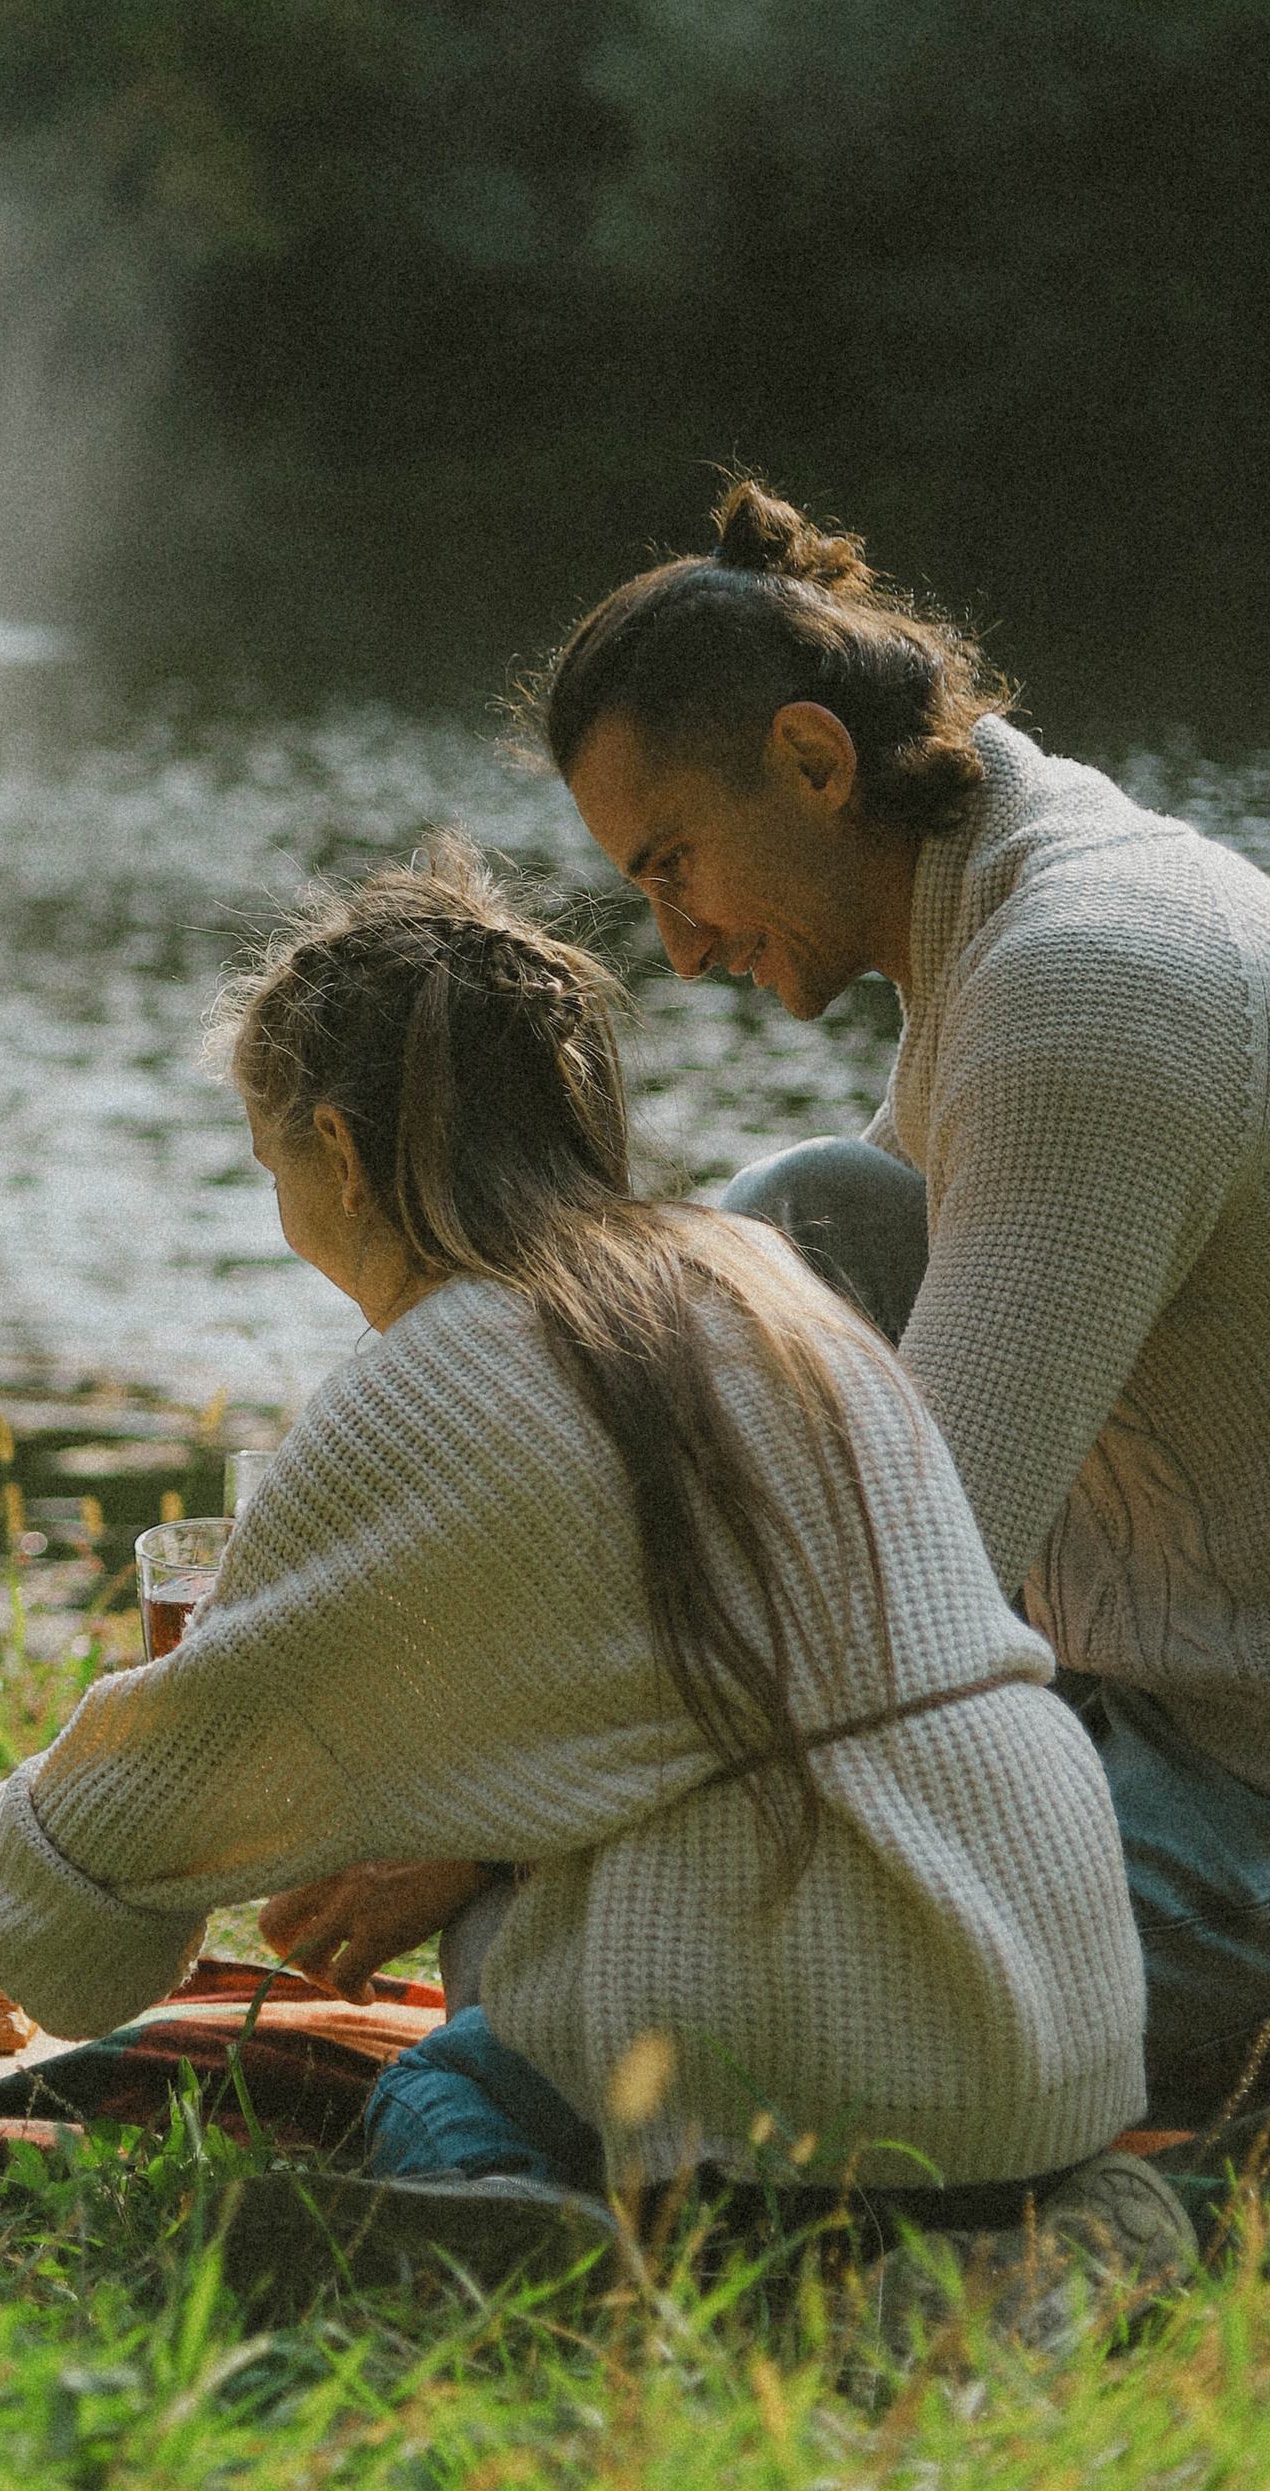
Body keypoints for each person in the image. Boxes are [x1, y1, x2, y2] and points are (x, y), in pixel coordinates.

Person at [0, 849, 1151, 2213]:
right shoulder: (755, 1278)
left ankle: (512, 2236)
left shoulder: (446, 1371)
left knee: (443, 2083)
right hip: (1062, 2014)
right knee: (524, 1963)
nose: (286, 1214)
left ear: (341, 1153)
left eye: (272, 1161)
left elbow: (200, 1742)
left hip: (834, 2043)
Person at [542, 480, 1270, 2128]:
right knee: (802, 1223)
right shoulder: (1008, 887)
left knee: (645, 2006)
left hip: (1247, 1796)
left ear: (814, 761)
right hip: (1137, 1695)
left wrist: (493, 1809)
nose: (678, 946)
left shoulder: (1091, 974)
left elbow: (894, 1595)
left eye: (675, 868)